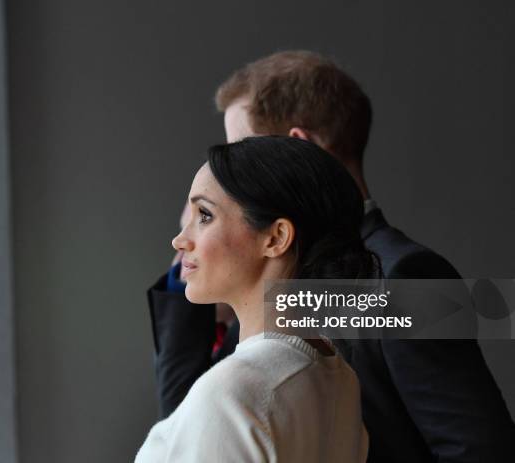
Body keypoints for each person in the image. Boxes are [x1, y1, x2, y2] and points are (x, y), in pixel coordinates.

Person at [147, 51, 515, 462]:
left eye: (242, 149)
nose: (225, 170)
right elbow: (195, 423)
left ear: (295, 149)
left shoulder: (404, 279)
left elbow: (479, 449)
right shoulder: (270, 282)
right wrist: (192, 267)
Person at [138, 136, 372, 462]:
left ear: (275, 238)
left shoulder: (232, 392)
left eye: (204, 215)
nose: (180, 240)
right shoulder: (339, 379)